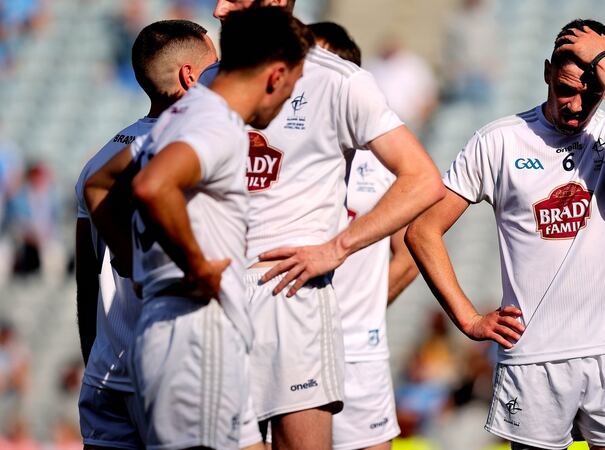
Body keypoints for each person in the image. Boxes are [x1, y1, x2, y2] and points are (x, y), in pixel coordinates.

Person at [406, 19, 605, 450]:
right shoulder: (499, 141)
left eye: (591, 94)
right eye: (565, 89)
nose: (576, 106)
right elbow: (422, 230)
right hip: (534, 360)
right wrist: (469, 319)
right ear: (547, 72)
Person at [208, 2, 445, 449]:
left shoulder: (340, 82)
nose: (219, 8)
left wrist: (336, 250)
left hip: (297, 301)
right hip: (220, 299)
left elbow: (422, 182)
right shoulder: (212, 82)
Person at [84, 7, 312, 449]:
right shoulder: (215, 123)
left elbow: (98, 184)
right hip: (194, 333)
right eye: (293, 85)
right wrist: (196, 265)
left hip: (193, 332)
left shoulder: (179, 117)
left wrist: (133, 263)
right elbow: (152, 185)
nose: (288, 99)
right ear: (276, 75)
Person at [74, 19, 217, 450]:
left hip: (108, 372)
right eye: (215, 65)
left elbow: (87, 279)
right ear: (190, 76)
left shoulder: (100, 160)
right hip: (174, 370)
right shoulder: (198, 152)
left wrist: (94, 361)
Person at [307, 21, 419, 450]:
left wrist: (367, 309)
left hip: (359, 349)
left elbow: (410, 254)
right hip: (293, 339)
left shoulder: (386, 161)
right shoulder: (284, 149)